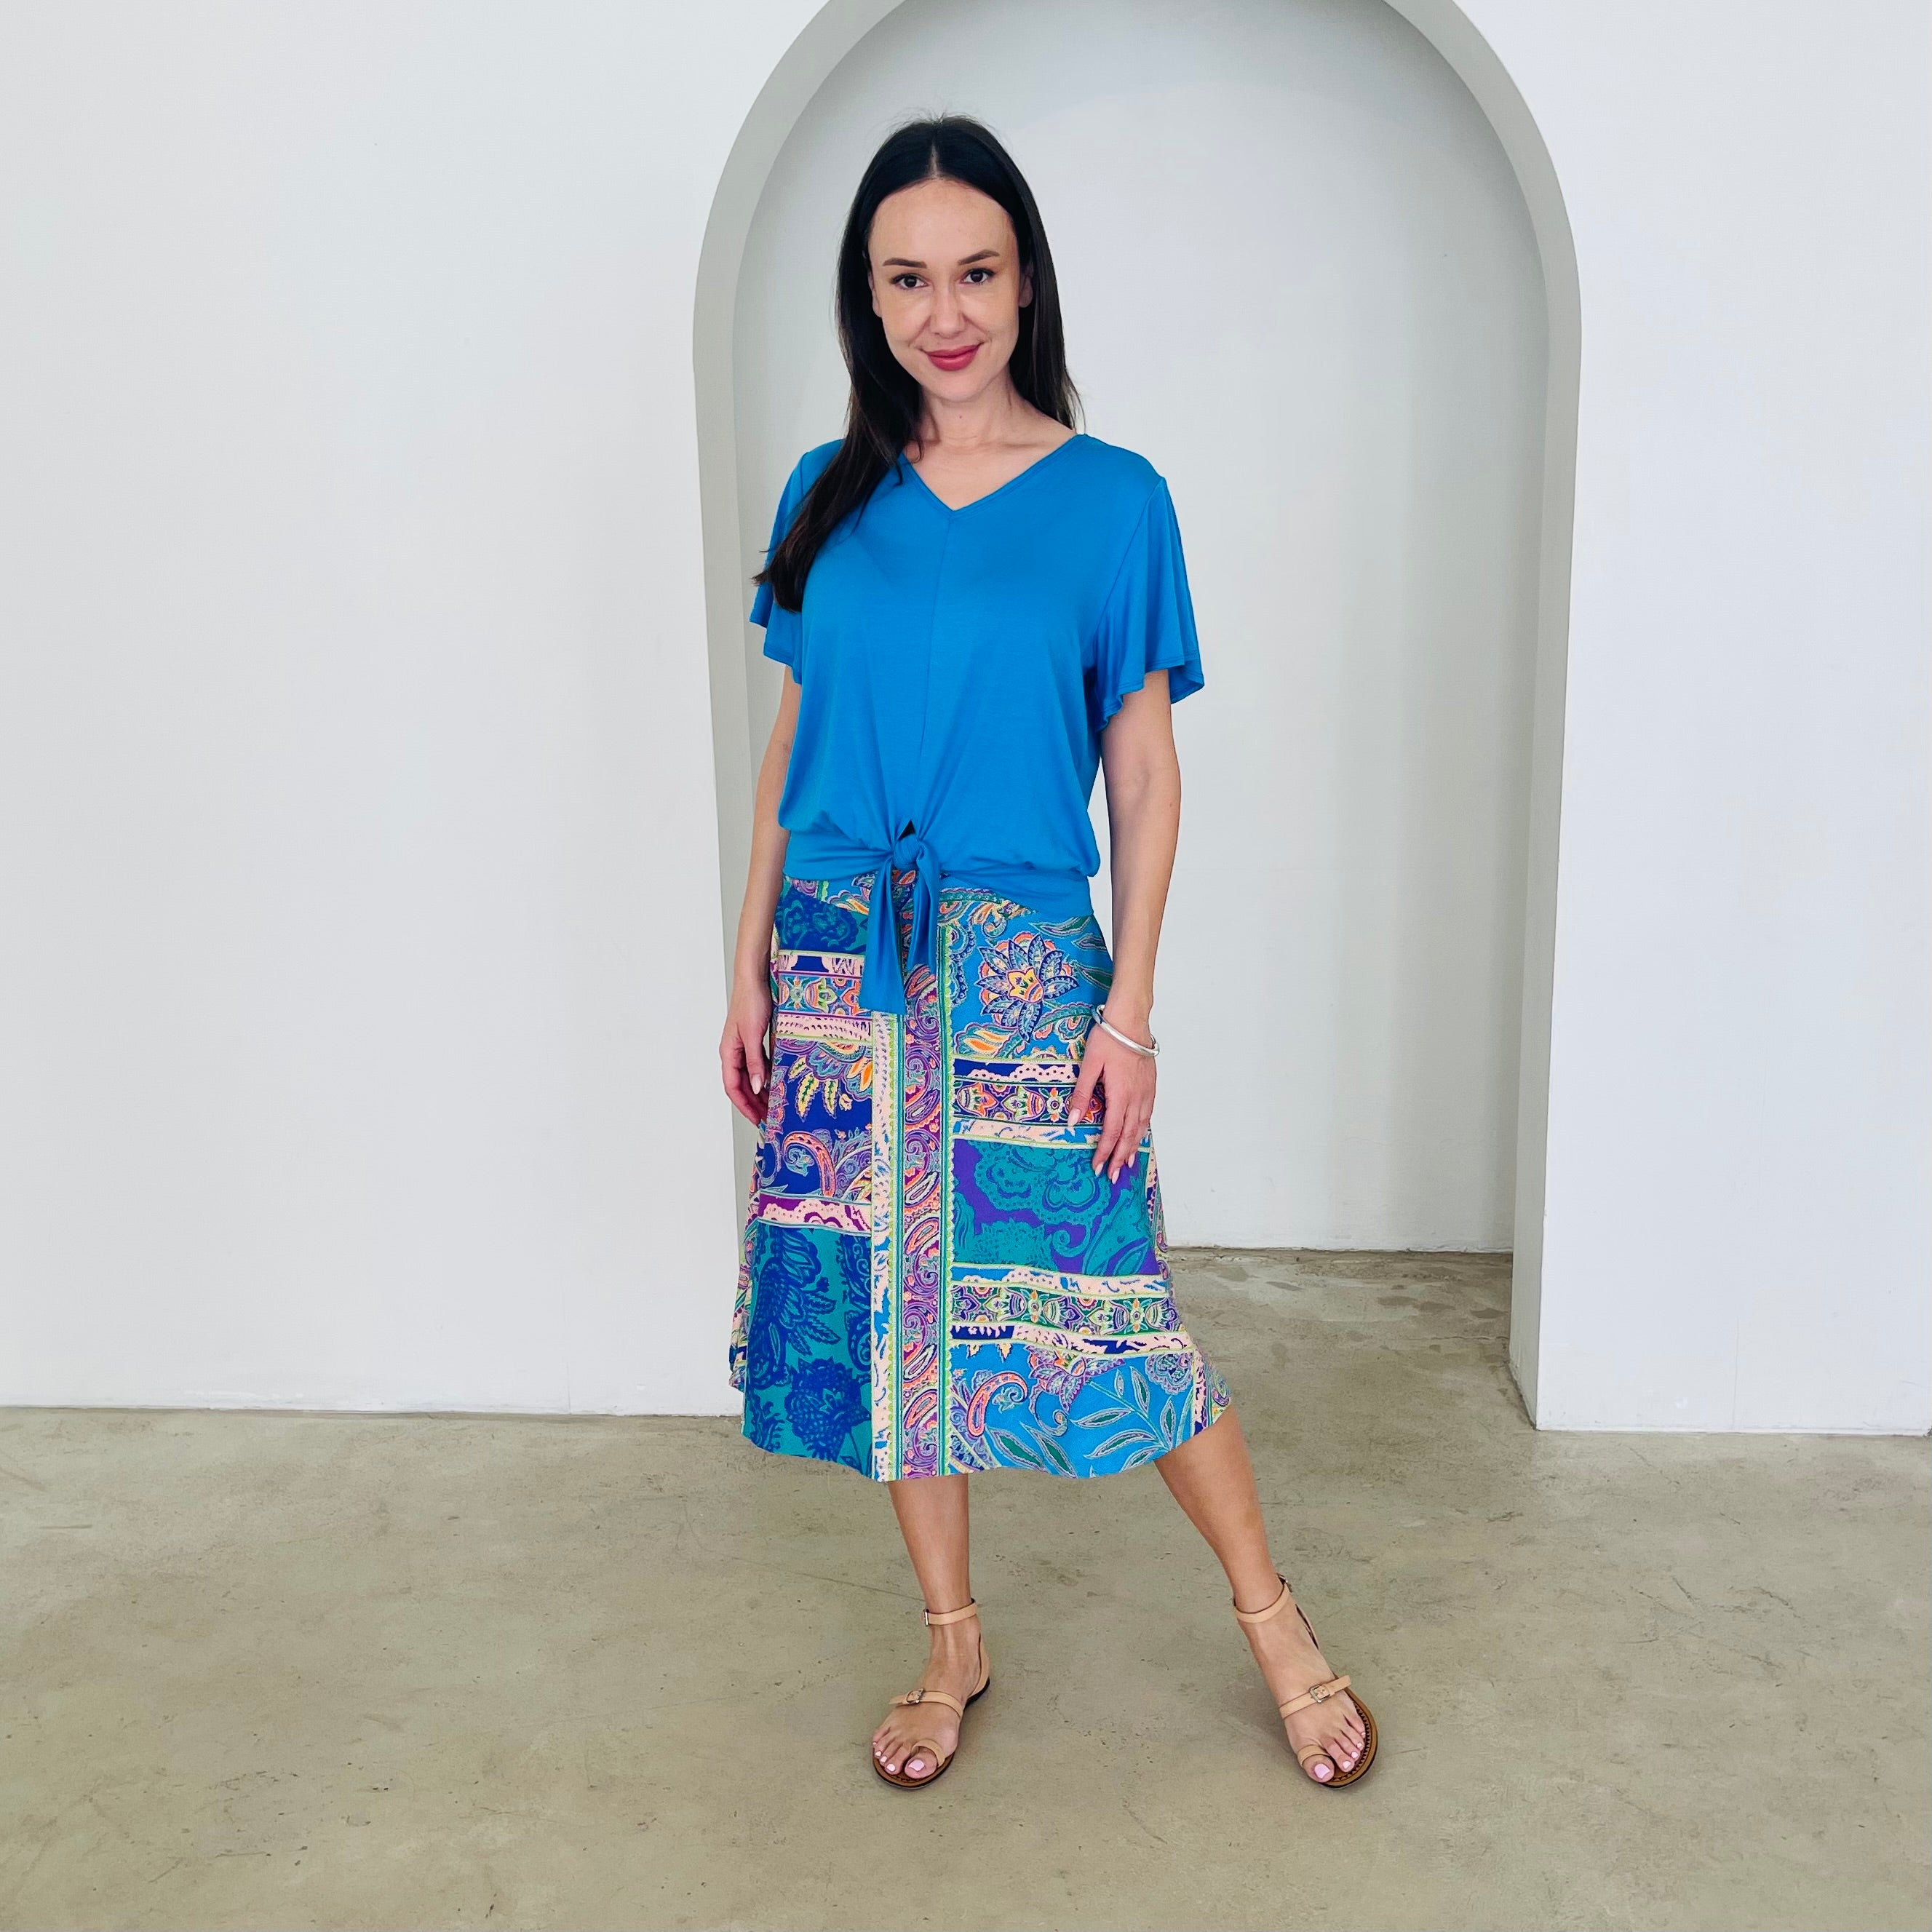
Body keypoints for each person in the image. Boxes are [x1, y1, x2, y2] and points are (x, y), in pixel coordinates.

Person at [718, 114, 1375, 1792]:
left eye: (976, 273)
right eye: (905, 279)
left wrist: (1129, 1013)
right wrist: (745, 972)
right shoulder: (826, 491)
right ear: (866, 300)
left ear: (1026, 282)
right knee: (887, 1321)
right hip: (834, 964)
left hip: (1022, 963)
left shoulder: (1110, 500)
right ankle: (949, 1640)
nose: (944, 313)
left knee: (1113, 1306)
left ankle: (1272, 1614)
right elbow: (794, 760)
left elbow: (1144, 773)